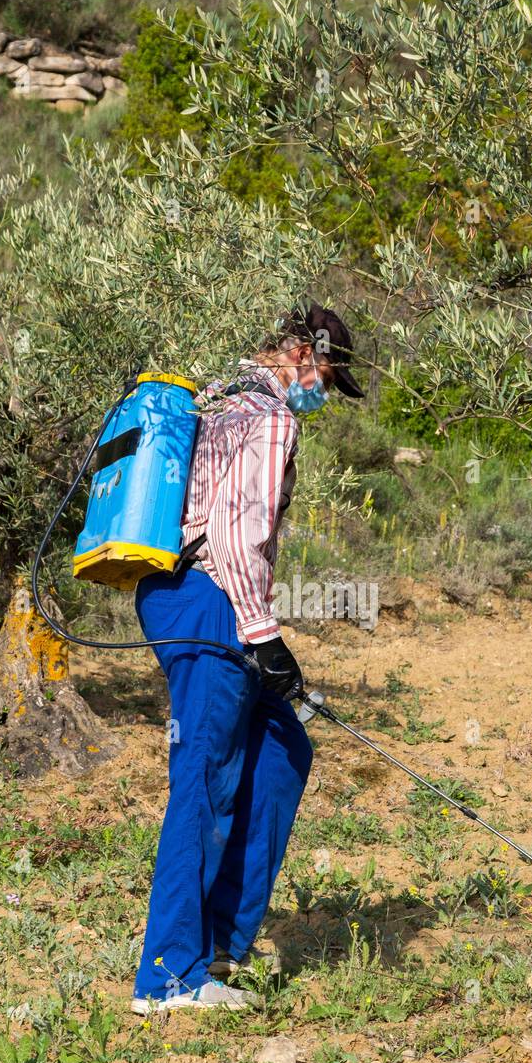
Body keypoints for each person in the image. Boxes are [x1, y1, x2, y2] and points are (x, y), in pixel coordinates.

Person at [131, 303, 365, 1013]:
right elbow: (237, 538)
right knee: (205, 779)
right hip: (208, 600)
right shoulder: (267, 416)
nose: (322, 393)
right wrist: (265, 638)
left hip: (186, 595)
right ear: (301, 352)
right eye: (325, 375)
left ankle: (223, 945)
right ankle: (169, 979)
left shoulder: (220, 400)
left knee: (282, 745)